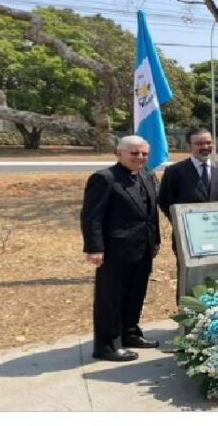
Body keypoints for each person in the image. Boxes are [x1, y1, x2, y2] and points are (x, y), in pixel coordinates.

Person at [80, 136, 161, 362]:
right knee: (111, 299)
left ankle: (130, 334)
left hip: (143, 247)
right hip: (115, 250)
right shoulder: (104, 178)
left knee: (135, 294)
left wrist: (155, 240)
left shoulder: (147, 176)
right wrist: (94, 248)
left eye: (144, 153)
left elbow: (151, 213)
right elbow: (92, 217)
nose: (140, 157)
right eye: (134, 153)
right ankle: (106, 346)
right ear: (119, 153)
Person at [157, 127, 218, 219]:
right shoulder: (174, 171)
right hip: (187, 229)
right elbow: (164, 202)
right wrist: (180, 222)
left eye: (209, 143)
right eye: (199, 144)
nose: (205, 147)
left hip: (215, 228)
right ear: (188, 146)